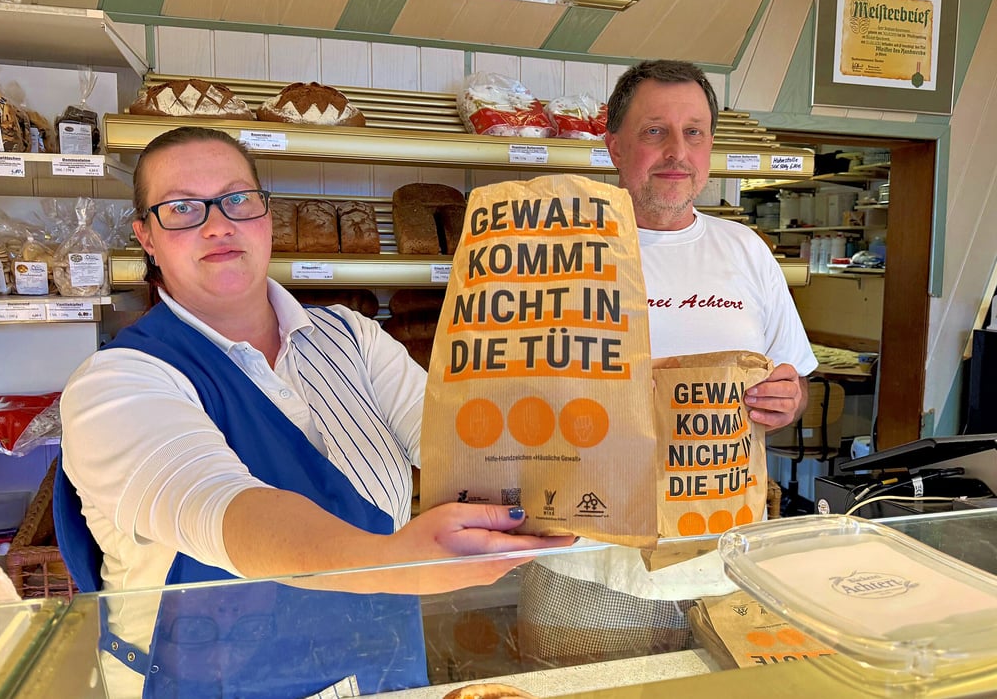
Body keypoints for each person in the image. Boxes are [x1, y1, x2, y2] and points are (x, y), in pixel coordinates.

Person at [54, 125, 573, 697]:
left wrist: (574, 467)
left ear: (267, 215)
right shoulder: (115, 383)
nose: (219, 223)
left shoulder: (352, 337)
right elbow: (225, 511)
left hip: (380, 667)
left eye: (237, 199)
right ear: (146, 237)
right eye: (181, 208)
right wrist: (392, 564)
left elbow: (458, 444)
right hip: (210, 681)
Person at [518, 59, 818, 665]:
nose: (678, 151)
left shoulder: (745, 250)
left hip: (721, 567)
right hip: (588, 572)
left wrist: (788, 399)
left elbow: (790, 378)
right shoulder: (555, 251)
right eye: (655, 131)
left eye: (695, 132)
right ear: (614, 146)